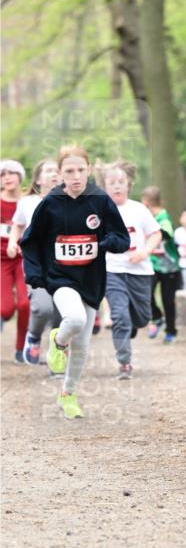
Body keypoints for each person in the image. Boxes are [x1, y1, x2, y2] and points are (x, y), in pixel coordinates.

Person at [20, 145, 130, 418]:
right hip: (60, 278)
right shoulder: (50, 203)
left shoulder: (100, 200)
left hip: (91, 280)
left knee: (82, 347)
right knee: (75, 319)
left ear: (89, 170)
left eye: (81, 170)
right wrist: (34, 273)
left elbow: (122, 238)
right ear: (60, 174)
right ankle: (57, 340)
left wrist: (106, 242)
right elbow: (30, 241)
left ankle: (67, 394)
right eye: (69, 171)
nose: (76, 176)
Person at [103, 161, 161, 378]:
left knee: (142, 318)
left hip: (139, 270)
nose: (117, 186)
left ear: (129, 184)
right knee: (119, 316)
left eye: (121, 182)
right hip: (112, 270)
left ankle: (131, 325)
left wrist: (145, 251)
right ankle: (124, 362)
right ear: (105, 187)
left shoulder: (138, 209)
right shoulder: (99, 210)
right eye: (111, 183)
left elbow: (156, 234)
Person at [7, 159, 62, 364]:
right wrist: (13, 242)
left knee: (60, 312)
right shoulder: (27, 203)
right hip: (36, 264)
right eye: (48, 171)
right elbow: (17, 225)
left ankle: (56, 355)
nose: (53, 174)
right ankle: (34, 335)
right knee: (42, 308)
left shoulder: (71, 201)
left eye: (57, 170)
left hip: (64, 265)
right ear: (38, 179)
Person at [140, 185, 181, 343]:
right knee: (145, 292)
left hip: (169, 266)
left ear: (146, 202)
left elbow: (168, 232)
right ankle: (157, 317)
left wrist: (155, 233)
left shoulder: (163, 217)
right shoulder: (146, 218)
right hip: (152, 264)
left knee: (168, 300)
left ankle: (171, 330)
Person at [1, 160, 30, 363]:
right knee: (5, 308)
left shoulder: (28, 201)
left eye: (12, 173)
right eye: (3, 174)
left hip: (25, 259)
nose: (7, 177)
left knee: (25, 304)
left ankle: (22, 349)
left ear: (20, 176)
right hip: (1, 260)